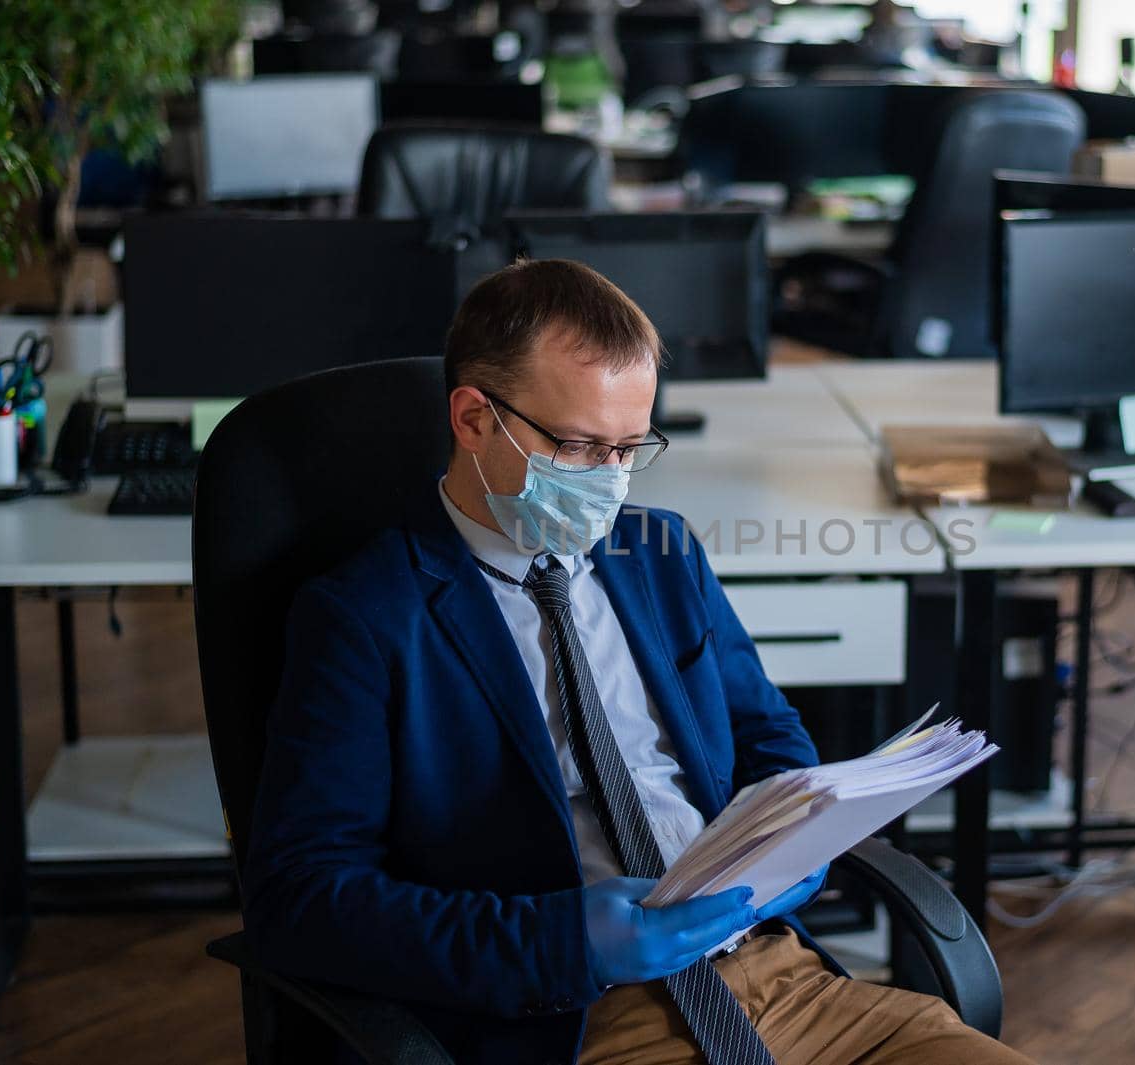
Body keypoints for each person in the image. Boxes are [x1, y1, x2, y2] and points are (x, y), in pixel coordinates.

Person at [240, 259, 1034, 1065]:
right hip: (576, 1019)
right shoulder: (367, 615)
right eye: (581, 446)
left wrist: (799, 845)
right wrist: (564, 942)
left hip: (783, 981)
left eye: (630, 447)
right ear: (474, 418)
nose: (611, 482)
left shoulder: (663, 556)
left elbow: (769, 735)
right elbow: (301, 899)